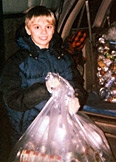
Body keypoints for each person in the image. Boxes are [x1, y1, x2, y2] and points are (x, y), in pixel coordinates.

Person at [0, 5, 88, 149]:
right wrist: (43, 89)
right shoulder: (16, 63)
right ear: (28, 30)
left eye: (48, 27)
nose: (43, 32)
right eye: (37, 27)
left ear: (54, 29)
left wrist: (77, 97)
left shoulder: (64, 58)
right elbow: (12, 100)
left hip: (61, 129)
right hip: (29, 133)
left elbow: (77, 83)